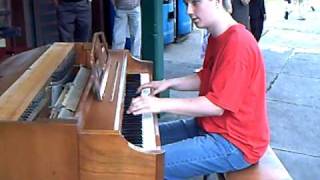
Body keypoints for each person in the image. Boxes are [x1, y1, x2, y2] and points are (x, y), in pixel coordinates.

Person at [127, 0, 270, 179]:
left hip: (236, 143)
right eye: (186, 3)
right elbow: (206, 77)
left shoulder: (238, 44)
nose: (189, 10)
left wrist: (160, 104)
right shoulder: (217, 35)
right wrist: (169, 83)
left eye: (196, 2)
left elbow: (216, 106)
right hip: (211, 126)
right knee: (132, 143)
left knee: (141, 165)